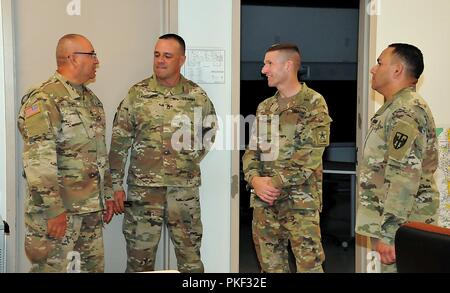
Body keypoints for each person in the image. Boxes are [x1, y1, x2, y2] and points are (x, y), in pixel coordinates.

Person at [109, 33, 218, 273]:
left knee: (191, 261)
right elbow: (119, 141)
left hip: (183, 192)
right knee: (139, 262)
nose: (160, 60)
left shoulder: (196, 96)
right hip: (143, 193)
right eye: (157, 55)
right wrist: (115, 185)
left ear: (182, 60)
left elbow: (210, 132)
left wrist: (188, 160)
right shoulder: (137, 94)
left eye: (167, 56)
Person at [18, 34, 114, 273]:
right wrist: (54, 210)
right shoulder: (44, 99)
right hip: (60, 215)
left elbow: (99, 155)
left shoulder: (91, 101)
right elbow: (39, 163)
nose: (96, 61)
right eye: (92, 55)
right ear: (72, 58)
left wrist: (108, 193)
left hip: (90, 211)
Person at [242, 43, 332, 273]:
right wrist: (254, 180)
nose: (264, 70)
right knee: (270, 268)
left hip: (299, 204)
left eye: (269, 63)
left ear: (288, 65)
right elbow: (252, 151)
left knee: (309, 268)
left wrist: (272, 183)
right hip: (265, 204)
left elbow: (309, 156)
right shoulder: (265, 107)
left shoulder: (313, 103)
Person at [355, 43, 439, 273]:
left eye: (380, 63)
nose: (373, 69)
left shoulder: (406, 110)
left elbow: (404, 177)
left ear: (397, 70)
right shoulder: (395, 107)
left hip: (404, 226)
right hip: (397, 222)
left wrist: (390, 233)